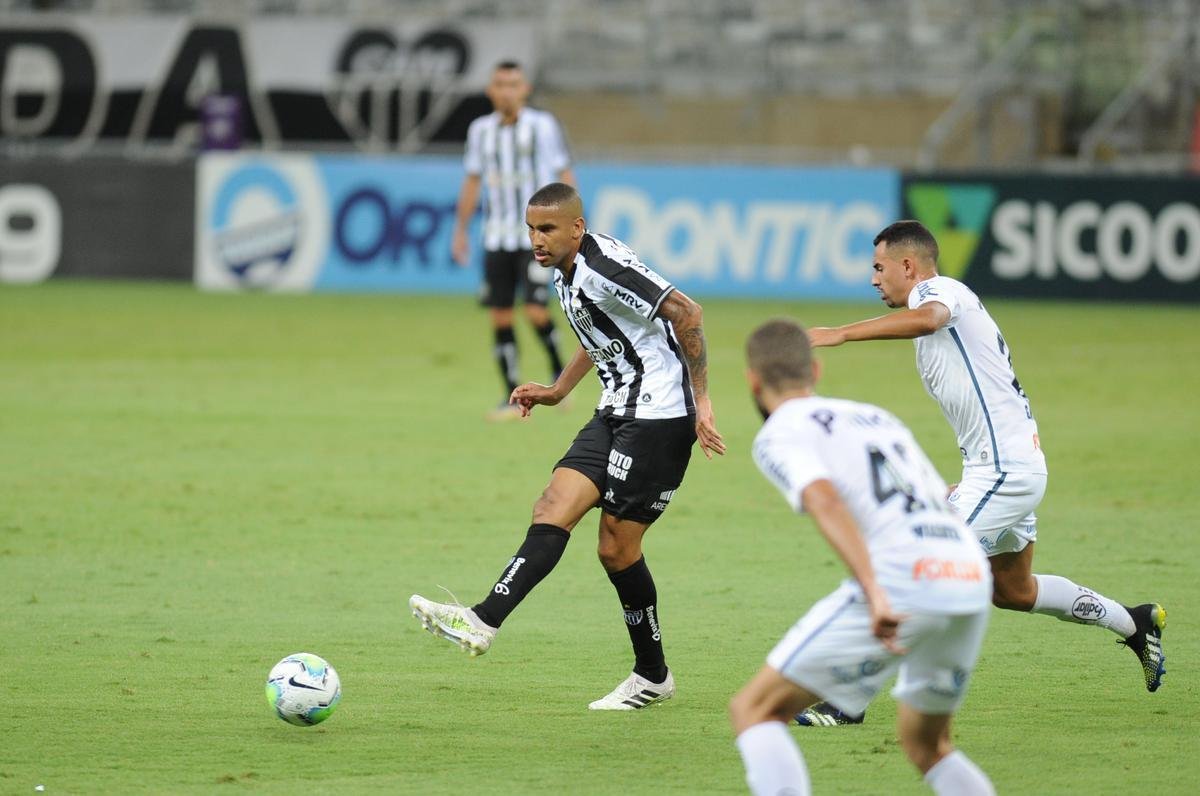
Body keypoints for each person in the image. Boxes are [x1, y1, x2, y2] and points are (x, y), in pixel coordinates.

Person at [795, 220, 1166, 727]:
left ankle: (847, 700)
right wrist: (971, 483)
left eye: (879, 268)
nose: (874, 279)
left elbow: (930, 318)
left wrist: (839, 334)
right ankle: (1135, 622)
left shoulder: (939, 292)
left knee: (916, 567)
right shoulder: (940, 314)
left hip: (1006, 472)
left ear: (909, 265)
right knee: (1012, 590)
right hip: (1002, 469)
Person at [411, 182, 725, 709]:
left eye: (547, 229)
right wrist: (558, 390)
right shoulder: (565, 269)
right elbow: (598, 330)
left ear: (577, 228)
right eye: (531, 229)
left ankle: (652, 675)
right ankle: (482, 621)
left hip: (660, 415)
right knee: (553, 505)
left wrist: (703, 400)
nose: (536, 239)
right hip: (616, 406)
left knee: (616, 548)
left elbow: (687, 313)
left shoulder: (603, 266)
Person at [731, 318, 996, 796]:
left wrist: (874, 590)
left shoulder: (779, 432)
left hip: (905, 578)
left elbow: (823, 499)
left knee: (755, 710)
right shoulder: (875, 417)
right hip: (968, 572)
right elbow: (937, 493)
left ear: (752, 380)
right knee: (929, 745)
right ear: (815, 370)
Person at [452, 60, 575, 420]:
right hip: (496, 236)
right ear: (491, 90)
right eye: (501, 84)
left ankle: (558, 377)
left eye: (513, 84)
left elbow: (564, 171)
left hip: (536, 235)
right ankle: (510, 394)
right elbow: (472, 179)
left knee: (535, 310)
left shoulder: (543, 126)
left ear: (525, 90)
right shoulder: (480, 130)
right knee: (500, 315)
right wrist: (460, 229)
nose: (507, 91)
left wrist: (569, 225)